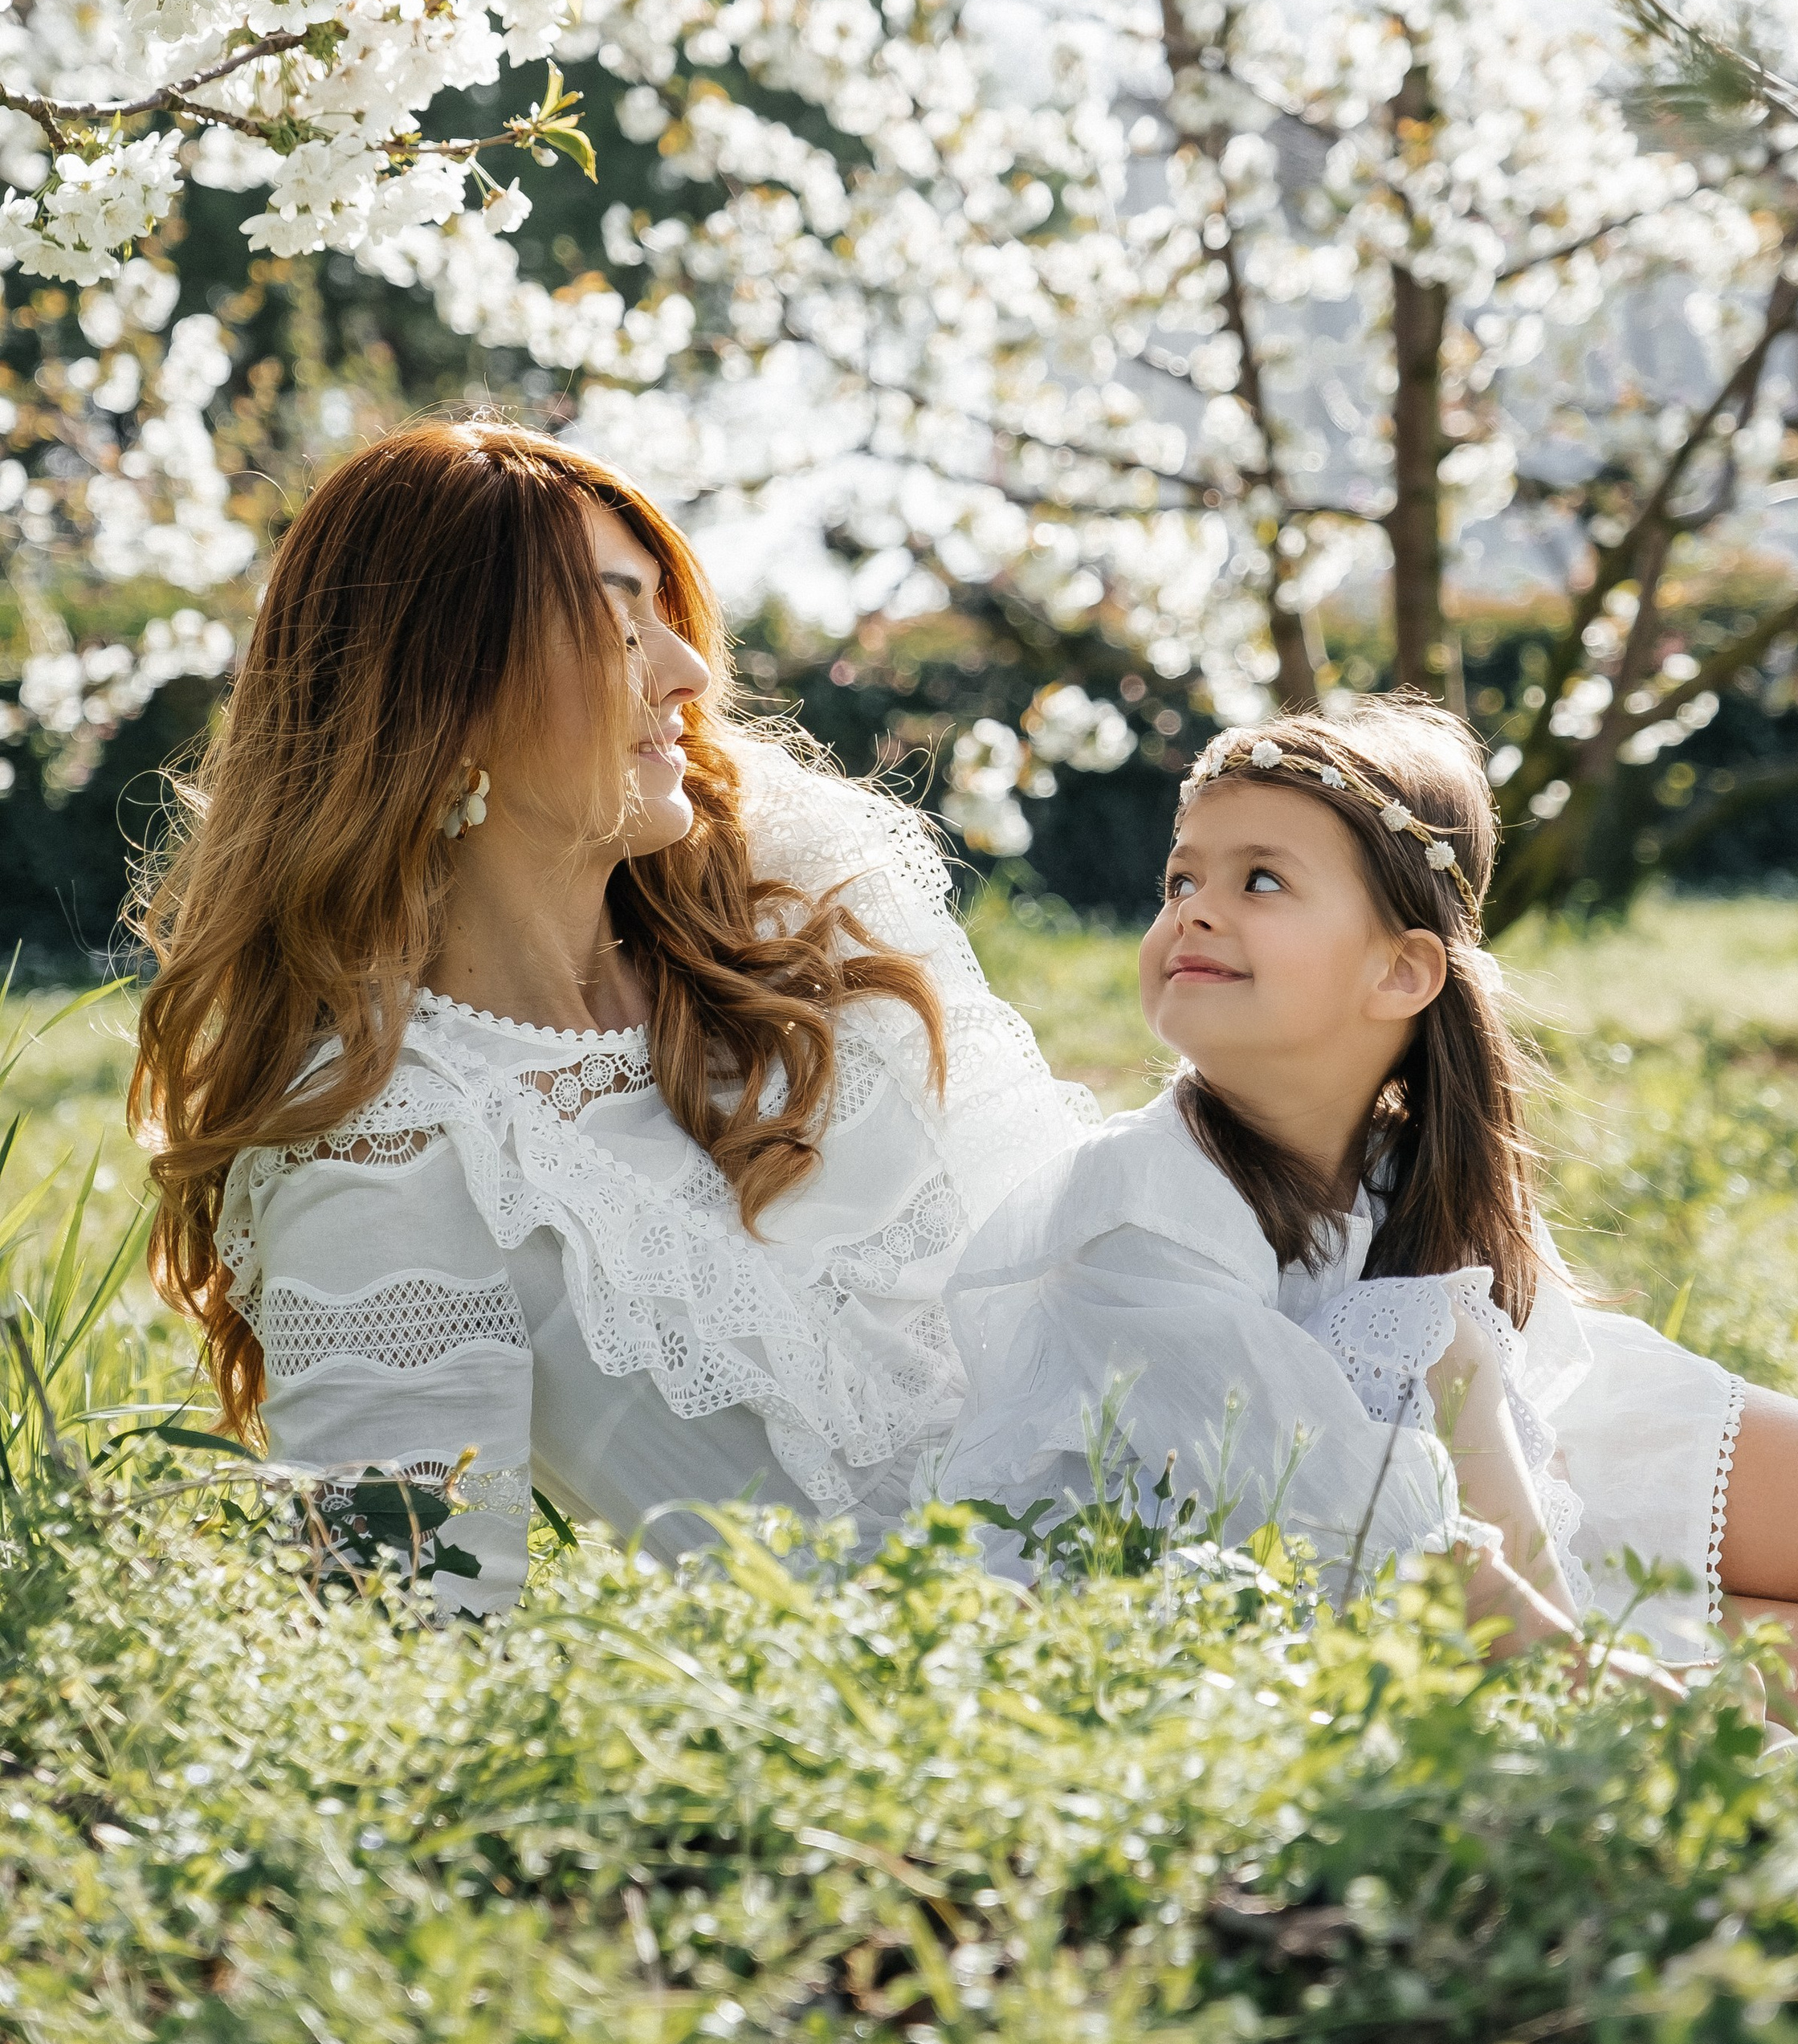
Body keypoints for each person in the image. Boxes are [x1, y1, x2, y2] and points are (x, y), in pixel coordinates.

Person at [128, 420, 1097, 1613]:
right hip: (964, 1696)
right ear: (441, 696)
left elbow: (1076, 1236)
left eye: (667, 617)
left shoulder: (790, 908)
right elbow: (408, 1626)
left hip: (1219, 1517)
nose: (689, 675)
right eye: (616, 626)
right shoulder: (389, 1150)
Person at [938, 699, 1798, 1707]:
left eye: (1261, 880)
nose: (1192, 911)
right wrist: (1574, 1659)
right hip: (1276, 1567)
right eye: (1180, 880)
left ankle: (1602, 1648)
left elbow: (1526, 1386)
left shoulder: (1402, 1162)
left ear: (1401, 971)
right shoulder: (1136, 1205)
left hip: (1468, 1507)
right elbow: (1316, 1501)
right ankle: (1578, 1681)